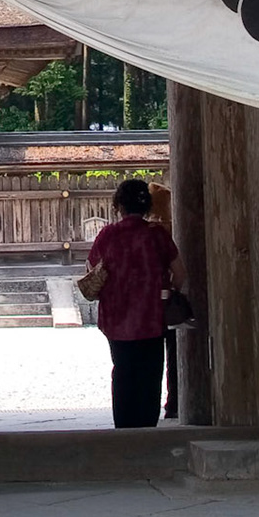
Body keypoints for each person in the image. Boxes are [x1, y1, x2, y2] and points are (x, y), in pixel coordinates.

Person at [87, 178, 184, 429]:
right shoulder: (157, 235)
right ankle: (146, 424)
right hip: (151, 315)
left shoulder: (108, 235)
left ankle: (124, 424)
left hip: (116, 316)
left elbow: (91, 268)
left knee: (122, 370)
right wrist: (170, 290)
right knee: (150, 372)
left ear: (119, 205)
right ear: (147, 205)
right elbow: (180, 272)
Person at [148, 182, 178, 420]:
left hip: (144, 305)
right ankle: (174, 401)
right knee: (173, 356)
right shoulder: (166, 232)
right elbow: (180, 271)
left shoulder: (151, 232)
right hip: (167, 298)